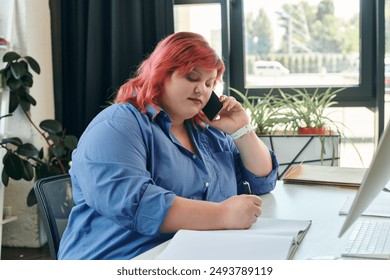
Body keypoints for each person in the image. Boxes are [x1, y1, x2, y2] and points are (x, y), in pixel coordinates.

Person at [58, 32, 279, 260]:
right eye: (192, 78)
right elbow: (137, 204)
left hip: (193, 254)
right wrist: (223, 214)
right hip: (124, 258)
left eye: (209, 83)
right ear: (161, 75)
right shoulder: (117, 125)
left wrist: (242, 130)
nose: (201, 90)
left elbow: (262, 181)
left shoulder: (209, 130)